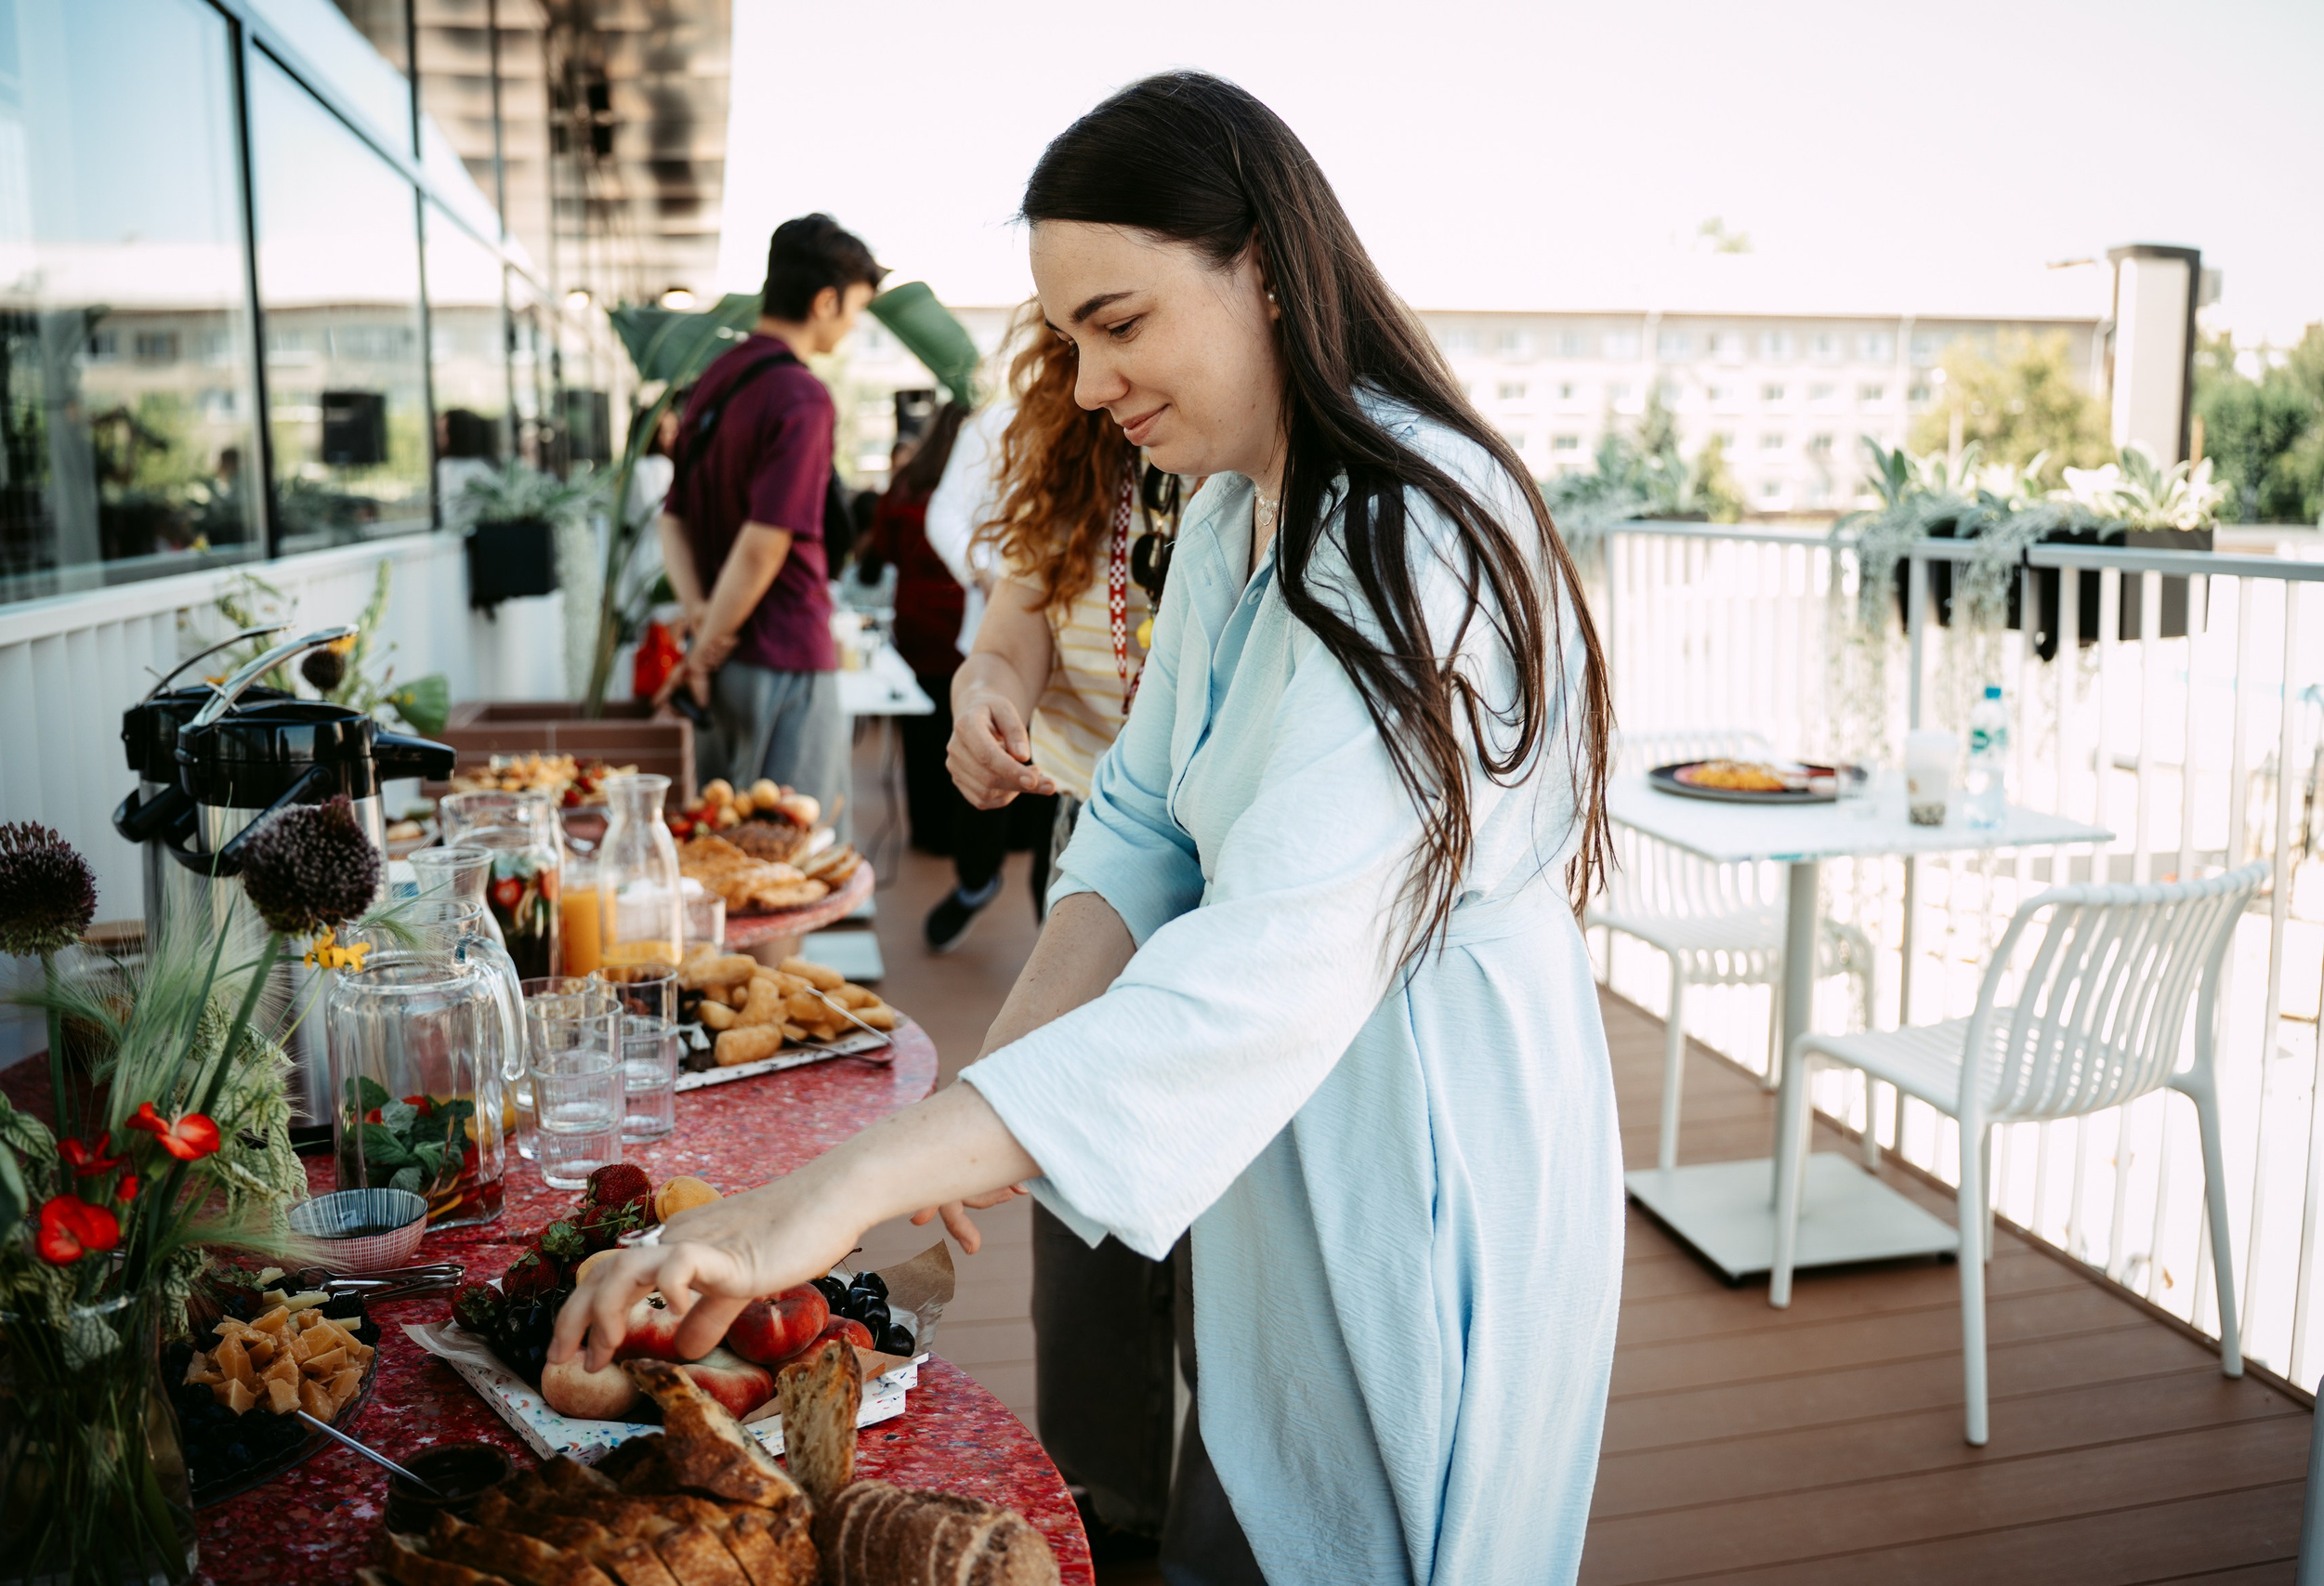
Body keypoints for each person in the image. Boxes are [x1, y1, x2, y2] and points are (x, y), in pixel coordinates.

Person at [557, 72, 1620, 1586]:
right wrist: (964, 1120)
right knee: (1245, 1477)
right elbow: (1133, 832)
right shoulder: (1245, 509)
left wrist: (836, 1191)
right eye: (1069, 339)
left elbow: (1250, 977)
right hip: (1279, 1100)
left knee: (1351, 1522)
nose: (1093, 380)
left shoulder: (1404, 537)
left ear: (1264, 264)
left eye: (1120, 324)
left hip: (1415, 1128)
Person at [943, 308, 1185, 1554]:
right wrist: (985, 696)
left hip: (1257, 882)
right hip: (1095, 849)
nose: (1102, 367)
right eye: (1080, 326)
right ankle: (1103, 1511)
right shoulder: (1082, 438)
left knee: (1233, 1212)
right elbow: (1008, 636)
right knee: (1080, 1181)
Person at [659, 214, 885, 841]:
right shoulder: (801, 395)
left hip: (724, 661)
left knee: (726, 847)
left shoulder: (714, 379)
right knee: (789, 857)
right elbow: (765, 544)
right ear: (825, 301)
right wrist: (705, 647)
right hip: (784, 653)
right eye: (854, 310)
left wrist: (703, 620)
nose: (850, 325)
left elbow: (671, 519)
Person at [856, 399, 1054, 945]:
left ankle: (1049, 942)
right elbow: (945, 514)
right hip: (1000, 636)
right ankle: (975, 880)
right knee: (989, 764)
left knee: (1059, 815)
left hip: (1099, 672)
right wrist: (987, 574)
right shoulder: (999, 421)